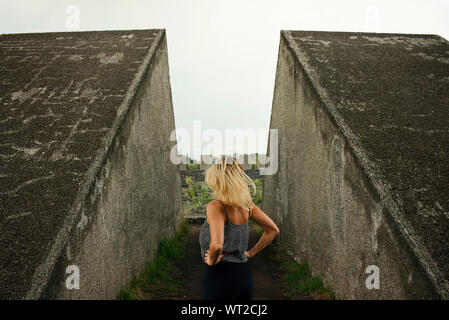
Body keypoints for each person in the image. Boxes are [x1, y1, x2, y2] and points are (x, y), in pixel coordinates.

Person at [199, 155, 280, 300]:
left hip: (220, 274)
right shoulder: (248, 206)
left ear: (218, 180)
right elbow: (273, 230)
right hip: (243, 274)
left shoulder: (216, 207)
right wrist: (251, 253)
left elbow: (217, 245)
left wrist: (211, 259)